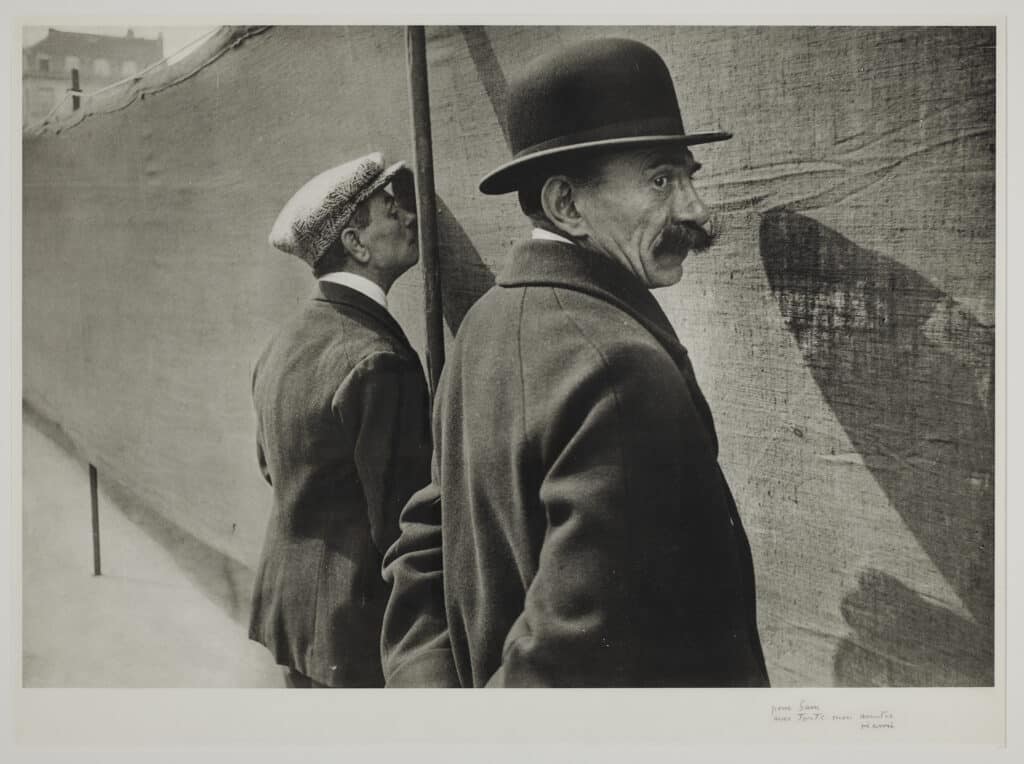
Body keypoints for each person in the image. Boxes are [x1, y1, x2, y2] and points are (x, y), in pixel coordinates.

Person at [381, 38, 770, 687]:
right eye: (660, 180)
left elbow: (424, 544)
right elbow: (571, 664)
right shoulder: (623, 370)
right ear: (566, 205)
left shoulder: (482, 325)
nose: (697, 211)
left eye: (690, 175)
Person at [249, 152, 432, 687]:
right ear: (355, 243)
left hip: (291, 618)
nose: (410, 218)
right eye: (391, 209)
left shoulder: (282, 341)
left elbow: (271, 466)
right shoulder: (377, 359)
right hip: (354, 635)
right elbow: (403, 522)